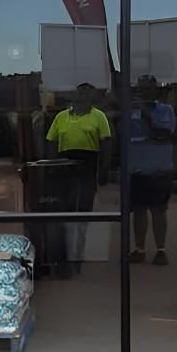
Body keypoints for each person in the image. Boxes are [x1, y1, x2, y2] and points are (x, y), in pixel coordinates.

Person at [46, 84, 112, 274]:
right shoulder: (61, 117)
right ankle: (65, 256)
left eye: (86, 93)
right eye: (79, 93)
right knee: (65, 212)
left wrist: (104, 170)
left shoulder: (99, 116)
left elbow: (106, 143)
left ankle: (79, 255)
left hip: (87, 168)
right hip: (64, 169)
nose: (81, 96)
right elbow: (51, 142)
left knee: (83, 212)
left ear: (91, 97)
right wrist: (51, 167)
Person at [129, 75, 176, 266]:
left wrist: (146, 116)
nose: (144, 92)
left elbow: (164, 134)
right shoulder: (131, 112)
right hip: (137, 169)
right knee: (138, 210)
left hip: (160, 169)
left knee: (158, 210)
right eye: (141, 89)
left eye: (148, 89)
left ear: (155, 90)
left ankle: (161, 250)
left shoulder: (166, 111)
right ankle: (139, 249)